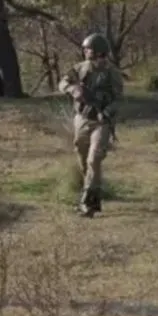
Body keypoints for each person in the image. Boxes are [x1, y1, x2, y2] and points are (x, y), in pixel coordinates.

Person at [58, 32, 124, 217]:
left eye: (89, 49)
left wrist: (107, 113)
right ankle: (94, 194)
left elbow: (119, 99)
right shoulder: (79, 68)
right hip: (82, 118)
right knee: (81, 154)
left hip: (102, 121)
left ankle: (86, 203)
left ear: (99, 52)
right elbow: (62, 82)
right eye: (85, 49)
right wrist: (73, 89)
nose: (85, 51)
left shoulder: (112, 73)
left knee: (94, 159)